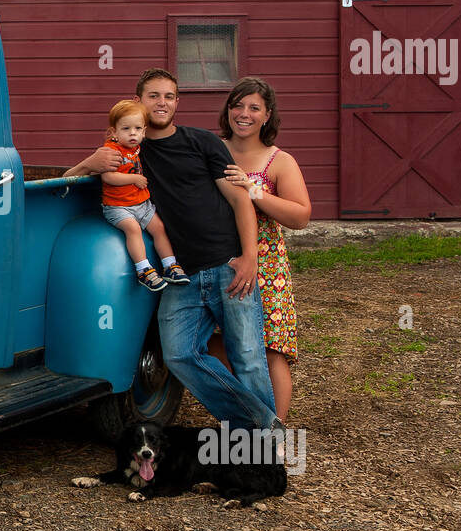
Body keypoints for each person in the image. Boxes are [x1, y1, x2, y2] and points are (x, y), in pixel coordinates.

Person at [67, 69, 281, 436]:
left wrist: (250, 257)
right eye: (153, 96)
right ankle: (261, 423)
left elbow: (239, 198)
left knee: (247, 357)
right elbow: (70, 182)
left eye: (169, 96)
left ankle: (261, 448)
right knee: (180, 356)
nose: (161, 103)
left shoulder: (203, 143)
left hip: (227, 263)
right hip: (179, 273)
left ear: (177, 102)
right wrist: (91, 163)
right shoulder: (125, 150)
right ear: (139, 100)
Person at [211, 77, 311, 423]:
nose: (244, 114)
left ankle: (276, 432)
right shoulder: (213, 149)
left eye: (254, 107)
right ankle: (242, 420)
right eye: (237, 105)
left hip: (266, 267)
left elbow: (301, 216)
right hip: (215, 260)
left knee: (270, 349)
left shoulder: (278, 161)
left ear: (267, 115)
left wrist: (256, 192)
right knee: (216, 345)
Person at [99, 99, 190, 292]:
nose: (133, 133)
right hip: (118, 206)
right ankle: (144, 269)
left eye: (138, 128)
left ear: (144, 131)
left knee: (159, 227)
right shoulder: (112, 150)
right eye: (126, 129)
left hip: (141, 204)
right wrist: (134, 179)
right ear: (114, 132)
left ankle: (170, 265)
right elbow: (108, 176)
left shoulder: (137, 148)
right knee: (133, 229)